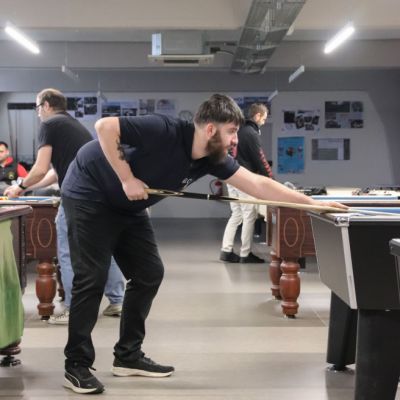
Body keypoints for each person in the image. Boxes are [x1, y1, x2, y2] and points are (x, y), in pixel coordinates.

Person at [58, 93, 345, 394]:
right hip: (89, 194)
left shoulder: (213, 159)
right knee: (92, 278)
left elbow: (257, 184)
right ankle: (76, 364)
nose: (235, 140)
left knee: (148, 274)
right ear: (210, 129)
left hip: (128, 207)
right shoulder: (164, 129)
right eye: (231, 131)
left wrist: (313, 204)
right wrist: (127, 178)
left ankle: (127, 356)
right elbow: (105, 127)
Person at [4, 88, 125, 325]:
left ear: (46, 105)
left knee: (68, 252)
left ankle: (73, 308)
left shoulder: (49, 125)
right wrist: (25, 188)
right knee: (103, 248)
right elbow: (54, 173)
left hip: (77, 197)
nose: (38, 113)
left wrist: (19, 186)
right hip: (100, 195)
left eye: (37, 108)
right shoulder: (73, 125)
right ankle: (118, 300)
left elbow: (40, 168)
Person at [220, 103, 273, 263]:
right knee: (249, 214)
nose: (264, 121)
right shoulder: (251, 133)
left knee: (236, 214)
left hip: (231, 176)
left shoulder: (238, 130)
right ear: (257, 116)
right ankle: (245, 253)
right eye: (264, 118)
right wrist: (271, 180)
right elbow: (260, 159)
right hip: (244, 179)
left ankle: (226, 250)